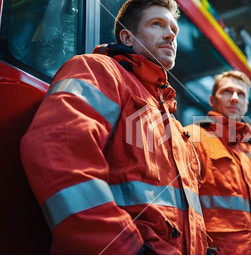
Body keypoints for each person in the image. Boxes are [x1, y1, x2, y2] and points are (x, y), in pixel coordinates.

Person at [20, 0, 207, 255]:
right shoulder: (98, 70)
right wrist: (125, 250)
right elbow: (55, 148)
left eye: (174, 28)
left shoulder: (176, 129)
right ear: (127, 37)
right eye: (157, 24)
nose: (170, 34)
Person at [185, 71, 251, 254]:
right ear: (212, 100)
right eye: (226, 92)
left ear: (246, 104)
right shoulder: (192, 138)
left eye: (241, 94)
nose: (234, 98)